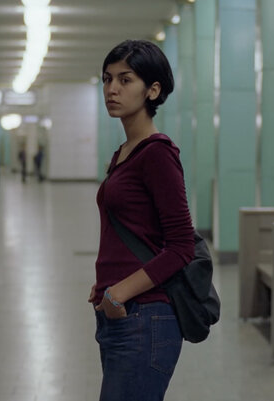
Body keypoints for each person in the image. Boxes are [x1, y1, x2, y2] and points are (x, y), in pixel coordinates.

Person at [87, 40, 195, 401]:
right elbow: (132, 232)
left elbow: (180, 247)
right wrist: (105, 285)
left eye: (125, 79)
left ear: (153, 90)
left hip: (147, 317)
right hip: (122, 315)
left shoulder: (157, 154)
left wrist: (119, 292)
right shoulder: (124, 153)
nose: (112, 89)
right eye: (107, 79)